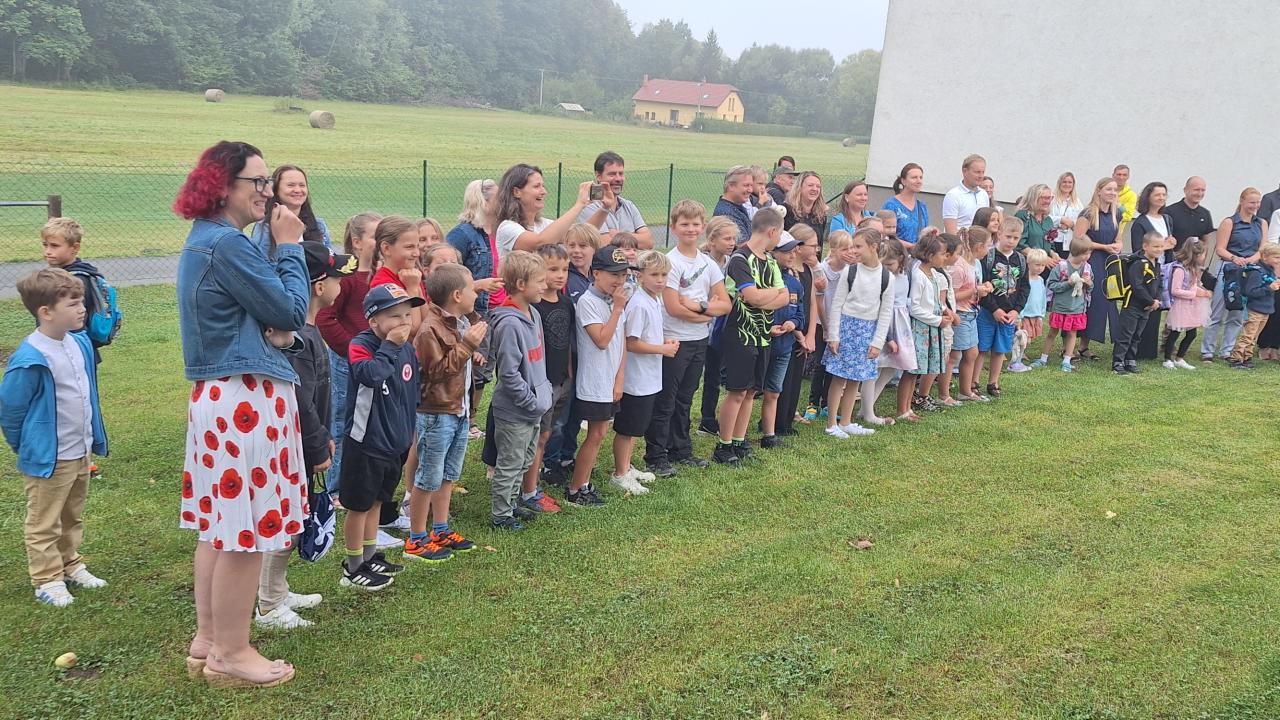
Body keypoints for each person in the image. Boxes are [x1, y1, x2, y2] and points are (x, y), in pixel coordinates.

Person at [173, 140, 308, 688]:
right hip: (246, 400)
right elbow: (291, 310)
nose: (268, 192)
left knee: (220, 528)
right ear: (222, 186)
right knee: (246, 532)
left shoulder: (208, 239)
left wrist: (276, 327)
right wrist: (290, 247)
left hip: (222, 398)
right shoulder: (227, 243)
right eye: (258, 182)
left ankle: (209, 641)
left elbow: (267, 314)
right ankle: (231, 652)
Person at [255, 244, 352, 630]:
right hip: (294, 443)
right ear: (318, 286)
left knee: (293, 519)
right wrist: (317, 443)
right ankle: (268, 605)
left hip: (305, 441)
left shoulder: (308, 331)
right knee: (285, 522)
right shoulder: (300, 338)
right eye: (337, 278)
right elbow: (300, 399)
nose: (341, 285)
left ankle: (277, 590)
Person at [2, 268, 108, 608]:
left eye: (81, 302)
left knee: (71, 515)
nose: (83, 309)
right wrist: (30, 446)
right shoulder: (30, 358)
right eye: (73, 304)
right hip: (49, 457)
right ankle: (46, 579)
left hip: (80, 449)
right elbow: (11, 412)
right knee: (44, 521)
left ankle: (70, 564)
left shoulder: (79, 343)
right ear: (46, 312)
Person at [338, 283, 422, 589]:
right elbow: (371, 375)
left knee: (377, 501)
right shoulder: (361, 345)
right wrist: (389, 347)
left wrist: (407, 432)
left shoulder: (407, 349)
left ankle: (370, 555)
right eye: (394, 316)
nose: (404, 322)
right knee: (359, 506)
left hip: (394, 441)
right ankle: (352, 566)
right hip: (367, 442)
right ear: (374, 321)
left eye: (407, 315)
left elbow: (411, 390)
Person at [405, 263, 485, 560]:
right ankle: (416, 538)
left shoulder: (457, 322)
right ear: (456, 295)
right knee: (428, 477)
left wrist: (469, 345)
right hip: (436, 413)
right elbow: (435, 372)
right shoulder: (429, 329)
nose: (476, 295)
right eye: (472, 289)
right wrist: (467, 346)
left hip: (457, 411)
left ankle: (440, 529)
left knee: (448, 474)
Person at [645, 200, 729, 476]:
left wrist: (699, 307)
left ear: (703, 227)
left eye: (695, 224)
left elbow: (725, 304)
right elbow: (673, 307)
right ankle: (656, 454)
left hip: (699, 340)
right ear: (673, 227)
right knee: (666, 399)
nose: (690, 229)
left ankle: (680, 449)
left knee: (685, 397)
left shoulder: (707, 263)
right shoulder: (671, 262)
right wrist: (706, 313)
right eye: (684, 224)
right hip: (674, 339)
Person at [714, 208, 790, 465]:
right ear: (772, 231)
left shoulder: (770, 261)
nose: (779, 239)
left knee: (750, 391)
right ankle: (723, 445)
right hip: (740, 333)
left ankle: (739, 439)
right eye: (779, 234)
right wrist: (767, 295)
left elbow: (784, 297)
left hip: (763, 335)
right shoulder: (740, 259)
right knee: (737, 391)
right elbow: (753, 297)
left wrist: (762, 296)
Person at [486, 250, 552, 528]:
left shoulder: (533, 313)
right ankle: (501, 515)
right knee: (510, 463)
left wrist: (543, 393)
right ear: (521, 284)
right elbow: (509, 373)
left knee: (524, 460)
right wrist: (530, 401)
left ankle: (512, 503)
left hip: (534, 407)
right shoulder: (510, 324)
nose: (545, 285)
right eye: (540, 281)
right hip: (516, 410)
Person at [316, 213, 380, 500]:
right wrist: (351, 348)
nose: (381, 242)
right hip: (347, 362)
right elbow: (325, 317)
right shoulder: (346, 277)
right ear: (357, 241)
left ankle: (364, 481)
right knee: (343, 420)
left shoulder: (381, 275)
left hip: (376, 362)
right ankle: (336, 488)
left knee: (371, 420)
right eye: (375, 236)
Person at [566, 246, 632, 504]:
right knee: (595, 435)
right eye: (614, 274)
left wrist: (619, 378)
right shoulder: (588, 302)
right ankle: (576, 489)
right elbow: (602, 340)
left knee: (601, 432)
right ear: (596, 273)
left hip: (609, 379)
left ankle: (583, 483)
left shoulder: (614, 300)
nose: (619, 280)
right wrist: (617, 310)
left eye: (623, 275)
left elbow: (621, 342)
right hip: (594, 381)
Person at [540, 224, 600, 483]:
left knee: (576, 412)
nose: (576, 251)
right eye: (571, 245)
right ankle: (550, 462)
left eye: (583, 246)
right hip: (564, 357)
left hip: (586, 358)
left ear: (594, 248)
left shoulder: (595, 277)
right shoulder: (566, 281)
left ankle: (567, 456)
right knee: (559, 417)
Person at [613, 250, 677, 491]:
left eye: (664, 275)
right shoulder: (639, 304)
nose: (660, 280)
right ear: (640, 276)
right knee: (628, 429)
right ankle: (620, 473)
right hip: (635, 379)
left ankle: (627, 466)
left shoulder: (654, 299)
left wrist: (663, 342)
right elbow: (631, 342)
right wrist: (662, 349)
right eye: (654, 275)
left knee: (636, 428)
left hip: (648, 377)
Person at [824, 227, 895, 434]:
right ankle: (831, 424)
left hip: (867, 331)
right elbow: (837, 304)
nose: (853, 250)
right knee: (839, 378)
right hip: (846, 328)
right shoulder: (851, 271)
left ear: (873, 247)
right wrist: (833, 335)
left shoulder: (886, 277)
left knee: (856, 378)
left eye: (858, 246)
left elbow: (885, 312)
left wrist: (877, 342)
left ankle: (846, 422)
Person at [518, 244, 571, 513]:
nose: (560, 275)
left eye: (564, 269)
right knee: (537, 437)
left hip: (561, 381)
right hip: (541, 385)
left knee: (546, 434)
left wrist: (569, 373)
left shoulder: (566, 302)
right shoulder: (534, 308)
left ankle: (532, 485)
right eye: (552, 269)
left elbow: (568, 341)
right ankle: (528, 491)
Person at [1202, 188, 1267, 361]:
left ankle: (1227, 350)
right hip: (1229, 268)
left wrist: (1252, 259)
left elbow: (1262, 248)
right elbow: (1220, 249)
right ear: (1242, 201)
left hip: (1249, 270)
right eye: (1252, 202)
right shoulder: (1229, 222)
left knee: (1238, 313)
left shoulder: (1261, 223)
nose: (1255, 206)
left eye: (1258, 202)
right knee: (1218, 310)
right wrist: (1234, 258)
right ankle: (1207, 350)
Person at [40, 217, 114, 367]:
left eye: (54, 246)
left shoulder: (75, 280)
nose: (48, 251)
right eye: (45, 245)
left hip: (74, 352)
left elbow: (76, 322)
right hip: (65, 348)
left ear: (75, 247)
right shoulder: (60, 275)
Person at [759, 233, 804, 447]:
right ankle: (736, 437)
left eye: (794, 251)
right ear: (773, 252)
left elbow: (800, 314)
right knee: (748, 392)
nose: (792, 255)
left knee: (774, 391)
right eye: (786, 251)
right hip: (761, 345)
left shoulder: (795, 284)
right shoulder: (763, 279)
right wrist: (766, 328)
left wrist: (793, 324)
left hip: (784, 347)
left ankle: (769, 436)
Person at [697, 216, 740, 436]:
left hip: (721, 329)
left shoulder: (733, 262)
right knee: (694, 378)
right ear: (712, 240)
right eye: (727, 238)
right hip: (701, 326)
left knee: (714, 376)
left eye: (734, 238)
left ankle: (707, 419)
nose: (732, 243)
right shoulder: (702, 262)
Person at [977, 216, 1030, 396]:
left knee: (1000, 350)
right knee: (982, 348)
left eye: (1016, 238)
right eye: (1008, 236)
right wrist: (994, 309)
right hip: (988, 311)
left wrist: (1016, 310)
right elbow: (982, 285)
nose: (1011, 241)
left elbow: (1024, 288)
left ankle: (993, 382)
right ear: (999, 234)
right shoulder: (988, 257)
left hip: (1009, 314)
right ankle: (974, 382)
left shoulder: (1021, 260)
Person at [493, 163, 591, 258]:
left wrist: (600, 207)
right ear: (516, 192)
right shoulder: (507, 228)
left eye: (543, 186)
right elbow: (540, 244)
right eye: (537, 186)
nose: (544, 192)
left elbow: (582, 236)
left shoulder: (544, 224)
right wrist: (579, 205)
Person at [806, 230, 853, 422]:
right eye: (844, 249)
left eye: (851, 248)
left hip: (839, 323)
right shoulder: (822, 270)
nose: (849, 252)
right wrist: (826, 327)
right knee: (820, 364)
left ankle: (826, 403)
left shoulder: (849, 270)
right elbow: (819, 302)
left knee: (833, 365)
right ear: (833, 249)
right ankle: (812, 403)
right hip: (821, 321)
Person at [777, 223, 820, 435]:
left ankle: (789, 417)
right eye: (813, 245)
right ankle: (779, 420)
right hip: (791, 330)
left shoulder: (808, 270)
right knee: (784, 379)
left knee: (796, 378)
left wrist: (810, 335)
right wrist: (799, 335)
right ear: (799, 247)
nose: (817, 249)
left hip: (803, 331)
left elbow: (812, 303)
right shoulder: (789, 273)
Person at [1075, 178, 1123, 360]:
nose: (1112, 193)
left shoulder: (1116, 213)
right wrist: (1104, 246)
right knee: (1086, 300)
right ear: (1099, 191)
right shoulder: (1088, 213)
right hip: (1090, 259)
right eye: (1108, 189)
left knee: (1102, 302)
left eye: (1115, 190)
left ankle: (1084, 346)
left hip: (1108, 262)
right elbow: (1078, 239)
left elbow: (1118, 237)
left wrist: (1118, 245)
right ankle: (1067, 346)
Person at [905, 234, 952, 417]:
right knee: (912, 371)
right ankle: (904, 409)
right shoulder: (919, 275)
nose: (945, 257)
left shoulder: (932, 274)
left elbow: (934, 301)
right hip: (921, 328)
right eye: (942, 254)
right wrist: (936, 320)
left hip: (930, 327)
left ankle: (909, 407)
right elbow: (914, 307)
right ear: (930, 255)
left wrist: (944, 311)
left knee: (918, 370)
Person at [1129, 182, 1174, 359]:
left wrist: (1170, 245)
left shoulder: (1167, 219)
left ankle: (1150, 350)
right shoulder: (1140, 222)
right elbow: (1138, 249)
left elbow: (1168, 243)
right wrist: (1164, 246)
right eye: (1157, 194)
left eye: (1164, 194)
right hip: (1146, 269)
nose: (1161, 198)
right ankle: (1137, 349)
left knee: (1156, 308)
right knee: (1144, 306)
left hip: (1162, 268)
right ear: (1148, 197)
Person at [1034, 237, 1093, 372]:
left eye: (1089, 253)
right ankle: (1043, 358)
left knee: (1072, 334)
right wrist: (1068, 283)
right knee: (1052, 332)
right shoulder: (1061, 267)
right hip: (1060, 307)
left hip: (1077, 308)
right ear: (1076, 252)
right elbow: (1052, 285)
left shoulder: (1087, 268)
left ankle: (1067, 360)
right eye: (1085, 253)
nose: (1088, 256)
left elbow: (1091, 287)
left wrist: (1089, 283)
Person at [578, 151, 654, 249]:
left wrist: (617, 235)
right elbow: (604, 244)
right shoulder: (589, 207)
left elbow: (648, 242)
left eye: (621, 174)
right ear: (598, 176)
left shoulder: (629, 206)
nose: (618, 179)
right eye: (612, 174)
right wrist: (634, 237)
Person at [1112, 232, 1163, 374]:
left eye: (1161, 246)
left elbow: (1160, 285)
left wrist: (1157, 300)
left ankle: (1130, 360)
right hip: (1132, 306)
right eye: (1155, 246)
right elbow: (1137, 286)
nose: (1159, 249)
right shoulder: (1138, 264)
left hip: (1146, 308)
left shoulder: (1157, 265)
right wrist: (1150, 301)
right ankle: (1118, 362)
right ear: (1145, 246)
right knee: (1125, 335)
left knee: (1136, 336)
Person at [951, 227, 993, 397]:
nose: (989, 249)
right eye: (988, 246)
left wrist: (984, 287)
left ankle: (966, 391)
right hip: (960, 314)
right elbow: (952, 295)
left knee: (972, 353)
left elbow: (975, 285)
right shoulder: (959, 267)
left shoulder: (976, 264)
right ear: (978, 246)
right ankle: (944, 394)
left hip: (972, 313)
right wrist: (976, 290)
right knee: (954, 355)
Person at [251, 164, 332, 251]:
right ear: (276, 190)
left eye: (302, 185)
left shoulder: (319, 226)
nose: (297, 190)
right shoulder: (265, 227)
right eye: (291, 185)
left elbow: (329, 257)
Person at [1227, 243, 1280, 369]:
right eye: (1277, 257)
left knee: (1255, 336)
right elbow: (1250, 291)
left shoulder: (1270, 271)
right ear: (1265, 256)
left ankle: (1247, 357)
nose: (1279, 260)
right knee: (1248, 335)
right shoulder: (1256, 272)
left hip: (1266, 309)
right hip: (1256, 309)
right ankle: (1236, 358)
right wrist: (1269, 288)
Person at [1161, 238, 1211, 370]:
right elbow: (1175, 290)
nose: (1204, 257)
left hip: (1190, 306)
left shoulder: (1193, 269)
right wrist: (1193, 294)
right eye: (1203, 254)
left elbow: (1192, 286)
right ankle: (1167, 359)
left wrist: (1203, 293)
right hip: (1180, 306)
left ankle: (1179, 358)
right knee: (1175, 332)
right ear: (1196, 255)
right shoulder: (1180, 269)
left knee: (1192, 334)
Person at [1008, 248, 1049, 372]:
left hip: (1035, 313)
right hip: (1024, 313)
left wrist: (1041, 313)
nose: (1040, 268)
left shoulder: (1041, 280)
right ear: (1028, 263)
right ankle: (1016, 357)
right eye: (1037, 265)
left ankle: (1020, 354)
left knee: (1029, 337)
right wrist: (1019, 313)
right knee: (1021, 336)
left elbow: (1042, 297)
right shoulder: (1024, 280)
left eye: (1043, 265)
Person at [1164, 177, 1215, 256]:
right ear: (1185, 190)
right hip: (1174, 259)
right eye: (1196, 190)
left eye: (1203, 190)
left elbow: (1206, 242)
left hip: (1195, 260)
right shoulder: (1169, 212)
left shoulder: (1205, 214)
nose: (1200, 194)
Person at [941, 154, 990, 234]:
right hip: (959, 241)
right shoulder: (953, 195)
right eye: (977, 172)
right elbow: (950, 232)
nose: (981, 176)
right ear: (965, 171)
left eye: (983, 172)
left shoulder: (984, 194)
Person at [884, 163, 929, 247]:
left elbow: (925, 235)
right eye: (914, 178)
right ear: (903, 181)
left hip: (917, 254)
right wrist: (911, 246)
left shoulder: (922, 207)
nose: (919, 181)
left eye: (921, 177)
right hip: (895, 252)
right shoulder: (891, 205)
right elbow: (885, 235)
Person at [783, 171, 829, 251]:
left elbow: (819, 245)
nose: (814, 189)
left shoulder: (821, 215)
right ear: (799, 187)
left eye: (818, 186)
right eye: (810, 185)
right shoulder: (786, 211)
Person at [712, 165, 755, 242]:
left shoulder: (737, 206)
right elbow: (742, 245)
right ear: (731, 186)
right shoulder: (726, 214)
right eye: (746, 185)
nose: (750, 190)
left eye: (751, 185)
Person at [1049, 172, 1083, 259]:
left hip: (1069, 241)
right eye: (1064, 182)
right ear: (1059, 183)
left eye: (1069, 182)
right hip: (1054, 240)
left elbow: (1082, 219)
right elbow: (1046, 218)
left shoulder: (1077, 202)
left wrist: (1072, 225)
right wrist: (1061, 221)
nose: (1067, 184)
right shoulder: (1052, 200)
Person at [1014, 184, 1056, 254]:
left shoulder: (1048, 220)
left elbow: (1050, 245)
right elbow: (1019, 245)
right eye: (1044, 198)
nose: (1048, 201)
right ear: (1033, 198)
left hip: (1044, 259)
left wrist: (1053, 254)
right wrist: (1041, 258)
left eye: (1050, 198)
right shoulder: (1023, 216)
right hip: (1028, 259)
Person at [1113, 165, 1136, 237]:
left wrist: (1117, 205)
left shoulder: (1131, 195)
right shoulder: (1104, 191)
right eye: (1118, 174)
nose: (1121, 177)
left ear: (1128, 176)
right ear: (1113, 175)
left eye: (1124, 175)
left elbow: (1128, 216)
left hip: (1116, 234)